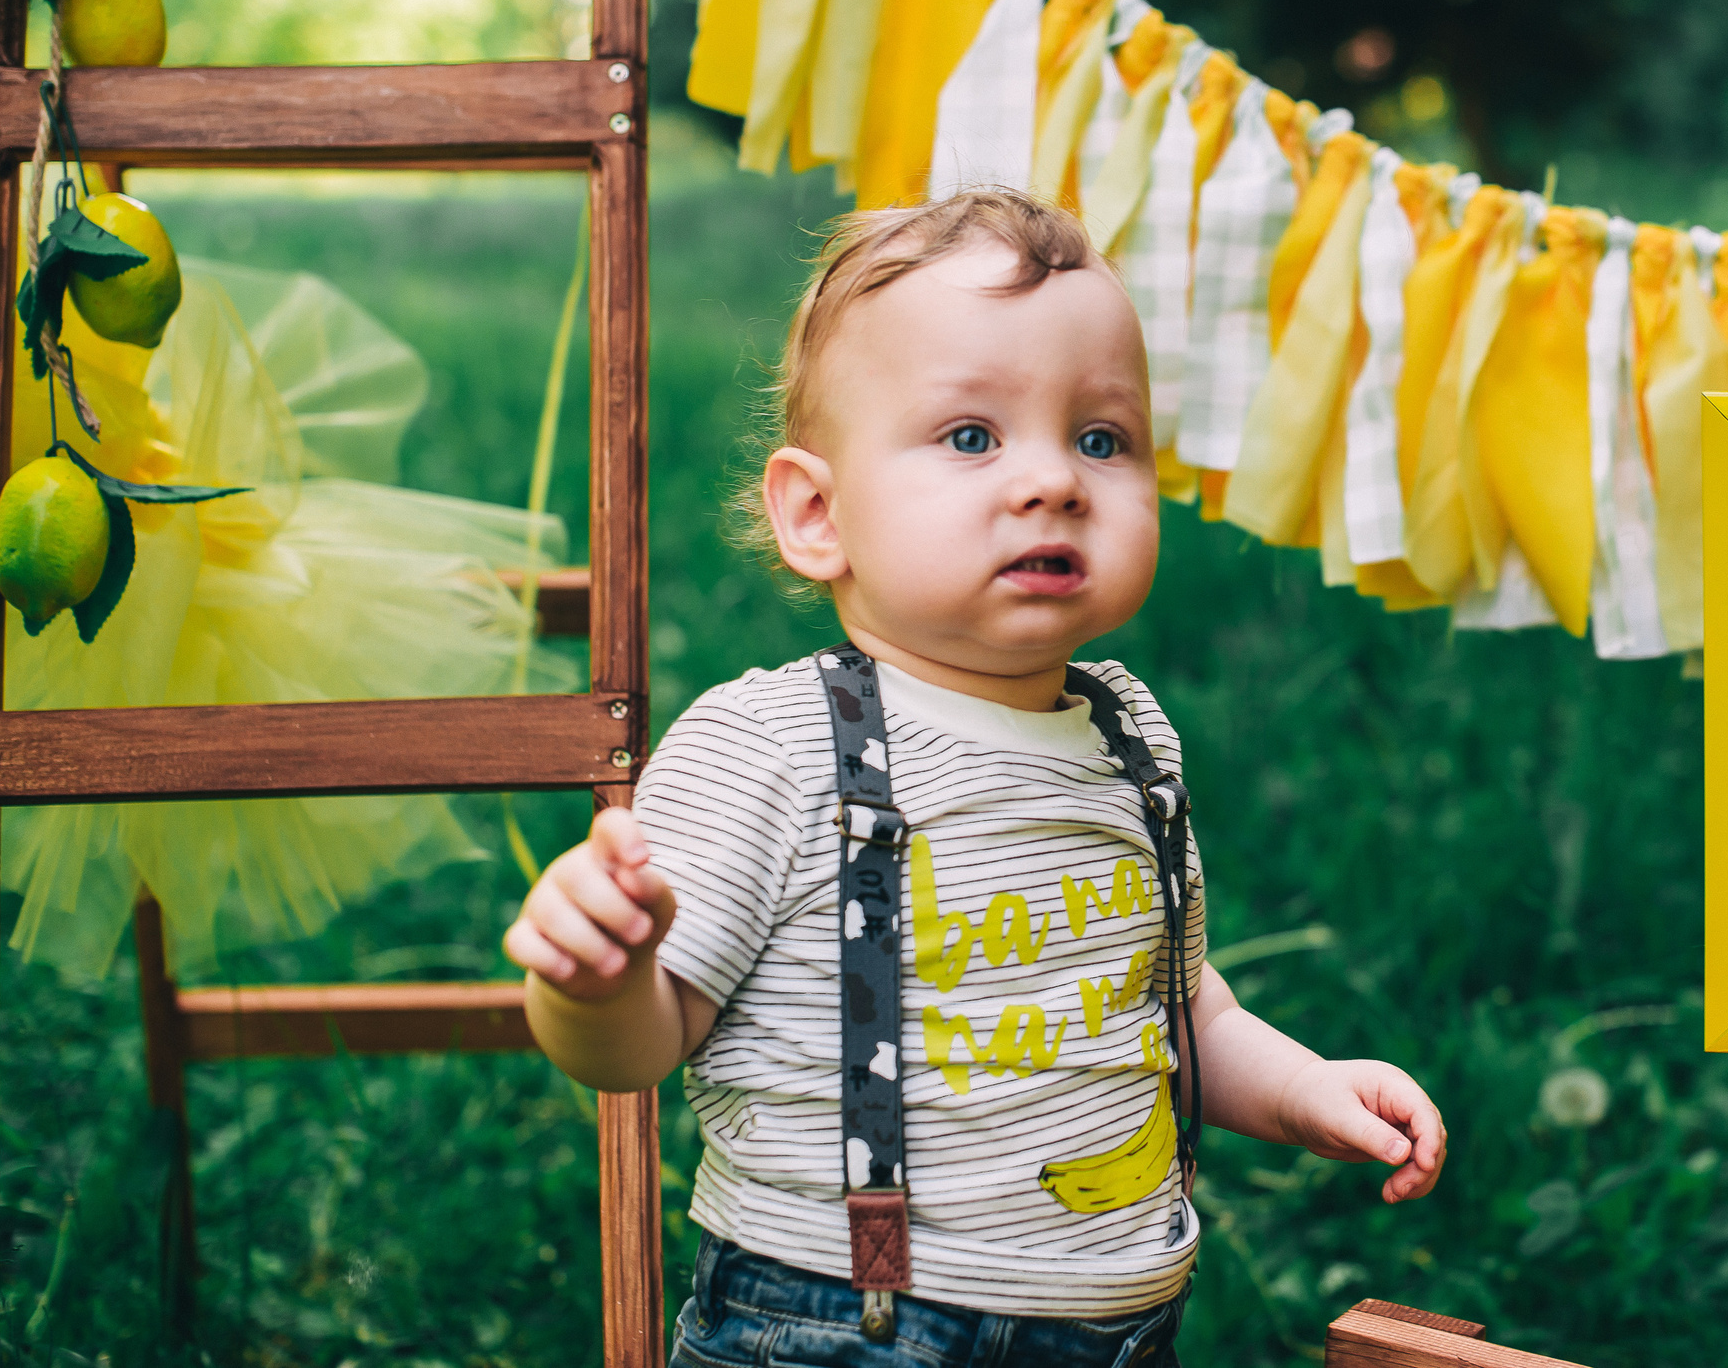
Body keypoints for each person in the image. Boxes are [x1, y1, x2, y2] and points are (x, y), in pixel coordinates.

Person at [504, 188, 1446, 1365]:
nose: (1055, 480)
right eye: (970, 436)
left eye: (1100, 438)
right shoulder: (773, 745)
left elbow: (1179, 1009)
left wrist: (1307, 1089)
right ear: (817, 512)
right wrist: (595, 982)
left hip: (1119, 1326)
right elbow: (642, 1042)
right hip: (850, 1322)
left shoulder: (1129, 736)